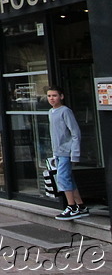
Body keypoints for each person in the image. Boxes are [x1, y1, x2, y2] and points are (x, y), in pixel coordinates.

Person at [47, 86, 89, 220]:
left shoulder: (65, 111)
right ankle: (80, 206)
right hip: (58, 152)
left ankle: (71, 207)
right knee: (68, 179)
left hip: (66, 151)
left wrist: (74, 153)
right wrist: (54, 153)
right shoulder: (51, 112)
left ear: (61, 96)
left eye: (54, 95)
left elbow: (75, 132)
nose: (51, 98)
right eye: (49, 96)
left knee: (63, 178)